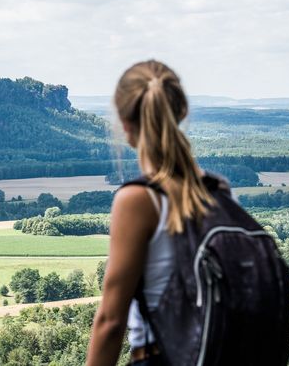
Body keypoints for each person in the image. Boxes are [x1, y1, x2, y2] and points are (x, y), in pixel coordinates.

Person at [86, 60, 214, 366]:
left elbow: (110, 322)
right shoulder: (216, 191)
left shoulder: (139, 200)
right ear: (181, 113)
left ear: (125, 125)